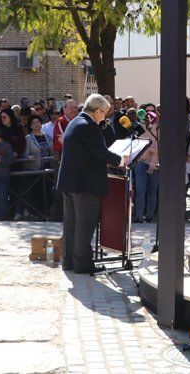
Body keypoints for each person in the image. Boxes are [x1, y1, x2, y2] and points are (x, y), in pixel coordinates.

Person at [57, 94, 125, 274]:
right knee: (84, 224)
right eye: (104, 113)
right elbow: (100, 153)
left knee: (71, 223)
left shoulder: (75, 122)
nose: (105, 117)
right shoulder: (90, 126)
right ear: (97, 111)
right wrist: (121, 160)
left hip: (70, 182)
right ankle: (82, 264)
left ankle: (69, 261)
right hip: (84, 184)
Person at [133, 112, 160, 223]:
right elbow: (135, 143)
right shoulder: (139, 128)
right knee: (140, 191)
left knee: (152, 191)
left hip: (155, 164)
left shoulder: (159, 129)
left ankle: (150, 216)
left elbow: (161, 146)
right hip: (141, 162)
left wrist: (154, 161)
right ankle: (139, 217)